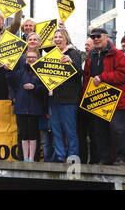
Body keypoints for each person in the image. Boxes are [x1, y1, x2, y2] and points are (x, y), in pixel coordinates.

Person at [84, 27, 125, 166]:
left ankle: (122, 159)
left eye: (98, 36)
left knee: (118, 130)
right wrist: (85, 99)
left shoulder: (117, 53)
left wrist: (102, 77)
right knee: (99, 131)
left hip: (117, 100)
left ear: (106, 37)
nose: (96, 39)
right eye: (93, 37)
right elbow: (87, 78)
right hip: (98, 99)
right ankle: (105, 159)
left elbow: (124, 74)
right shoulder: (90, 55)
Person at [48, 28, 82, 162]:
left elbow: (80, 73)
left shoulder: (73, 53)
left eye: (60, 37)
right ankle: (60, 156)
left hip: (69, 98)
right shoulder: (52, 54)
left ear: (66, 38)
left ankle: (72, 157)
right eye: (55, 37)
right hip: (54, 98)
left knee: (70, 130)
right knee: (56, 129)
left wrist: (71, 62)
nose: (57, 39)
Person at [7, 49, 46, 162]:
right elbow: (11, 80)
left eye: (33, 57)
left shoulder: (41, 71)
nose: (31, 59)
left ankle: (32, 158)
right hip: (21, 107)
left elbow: (44, 89)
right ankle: (25, 158)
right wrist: (8, 70)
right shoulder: (21, 71)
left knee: (33, 134)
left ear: (38, 58)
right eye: (28, 57)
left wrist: (34, 88)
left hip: (35, 108)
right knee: (23, 134)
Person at [78, 37, 98, 164]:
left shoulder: (96, 60)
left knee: (94, 132)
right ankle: (83, 159)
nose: (86, 47)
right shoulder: (83, 60)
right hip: (80, 101)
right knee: (80, 132)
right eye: (85, 44)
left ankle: (95, 159)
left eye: (88, 45)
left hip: (93, 101)